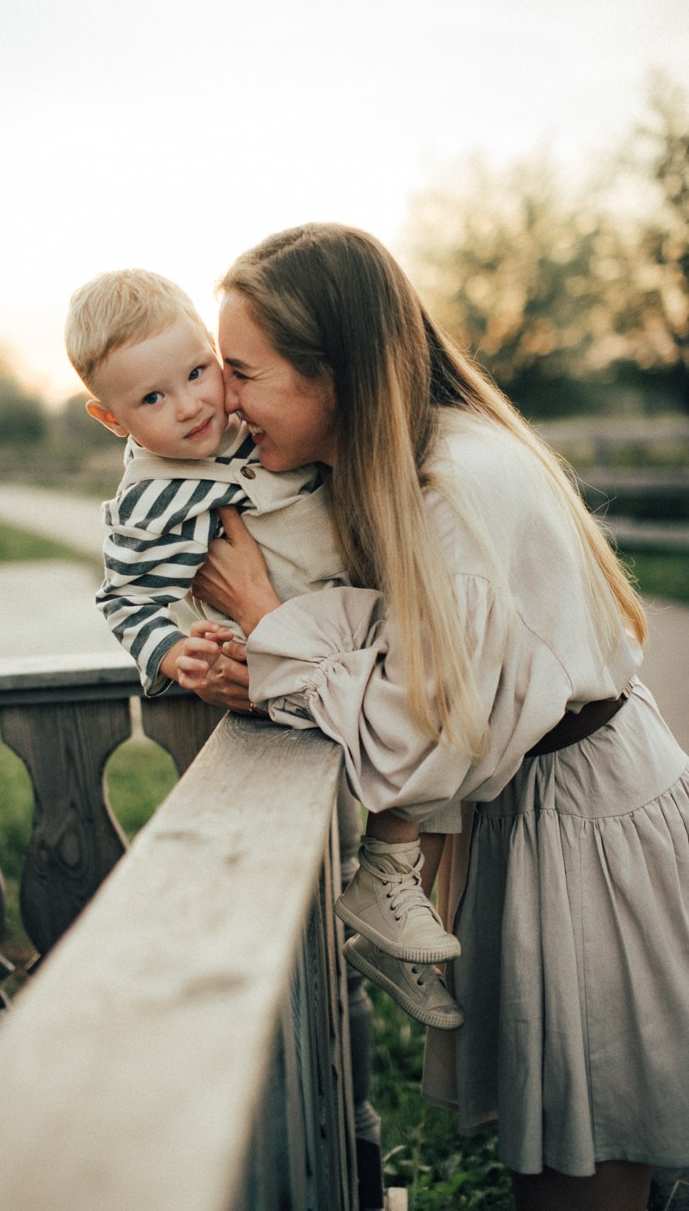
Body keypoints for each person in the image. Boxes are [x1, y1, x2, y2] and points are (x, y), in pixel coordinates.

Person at [178, 222, 689, 1211]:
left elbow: (423, 749)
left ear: (337, 371)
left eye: (240, 371)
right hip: (557, 809)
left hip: (588, 829)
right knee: (578, 1154)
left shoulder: (457, 488)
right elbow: (405, 663)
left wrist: (264, 623)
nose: (221, 400)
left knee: (582, 1173)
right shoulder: (414, 464)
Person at [65, 267, 463, 1028]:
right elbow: (126, 597)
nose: (188, 406)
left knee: (430, 725)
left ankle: (389, 892)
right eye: (151, 398)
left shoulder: (255, 424)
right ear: (110, 419)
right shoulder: (151, 498)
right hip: (287, 661)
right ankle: (382, 894)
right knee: (391, 749)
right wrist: (170, 651)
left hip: (355, 627)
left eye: (196, 373)